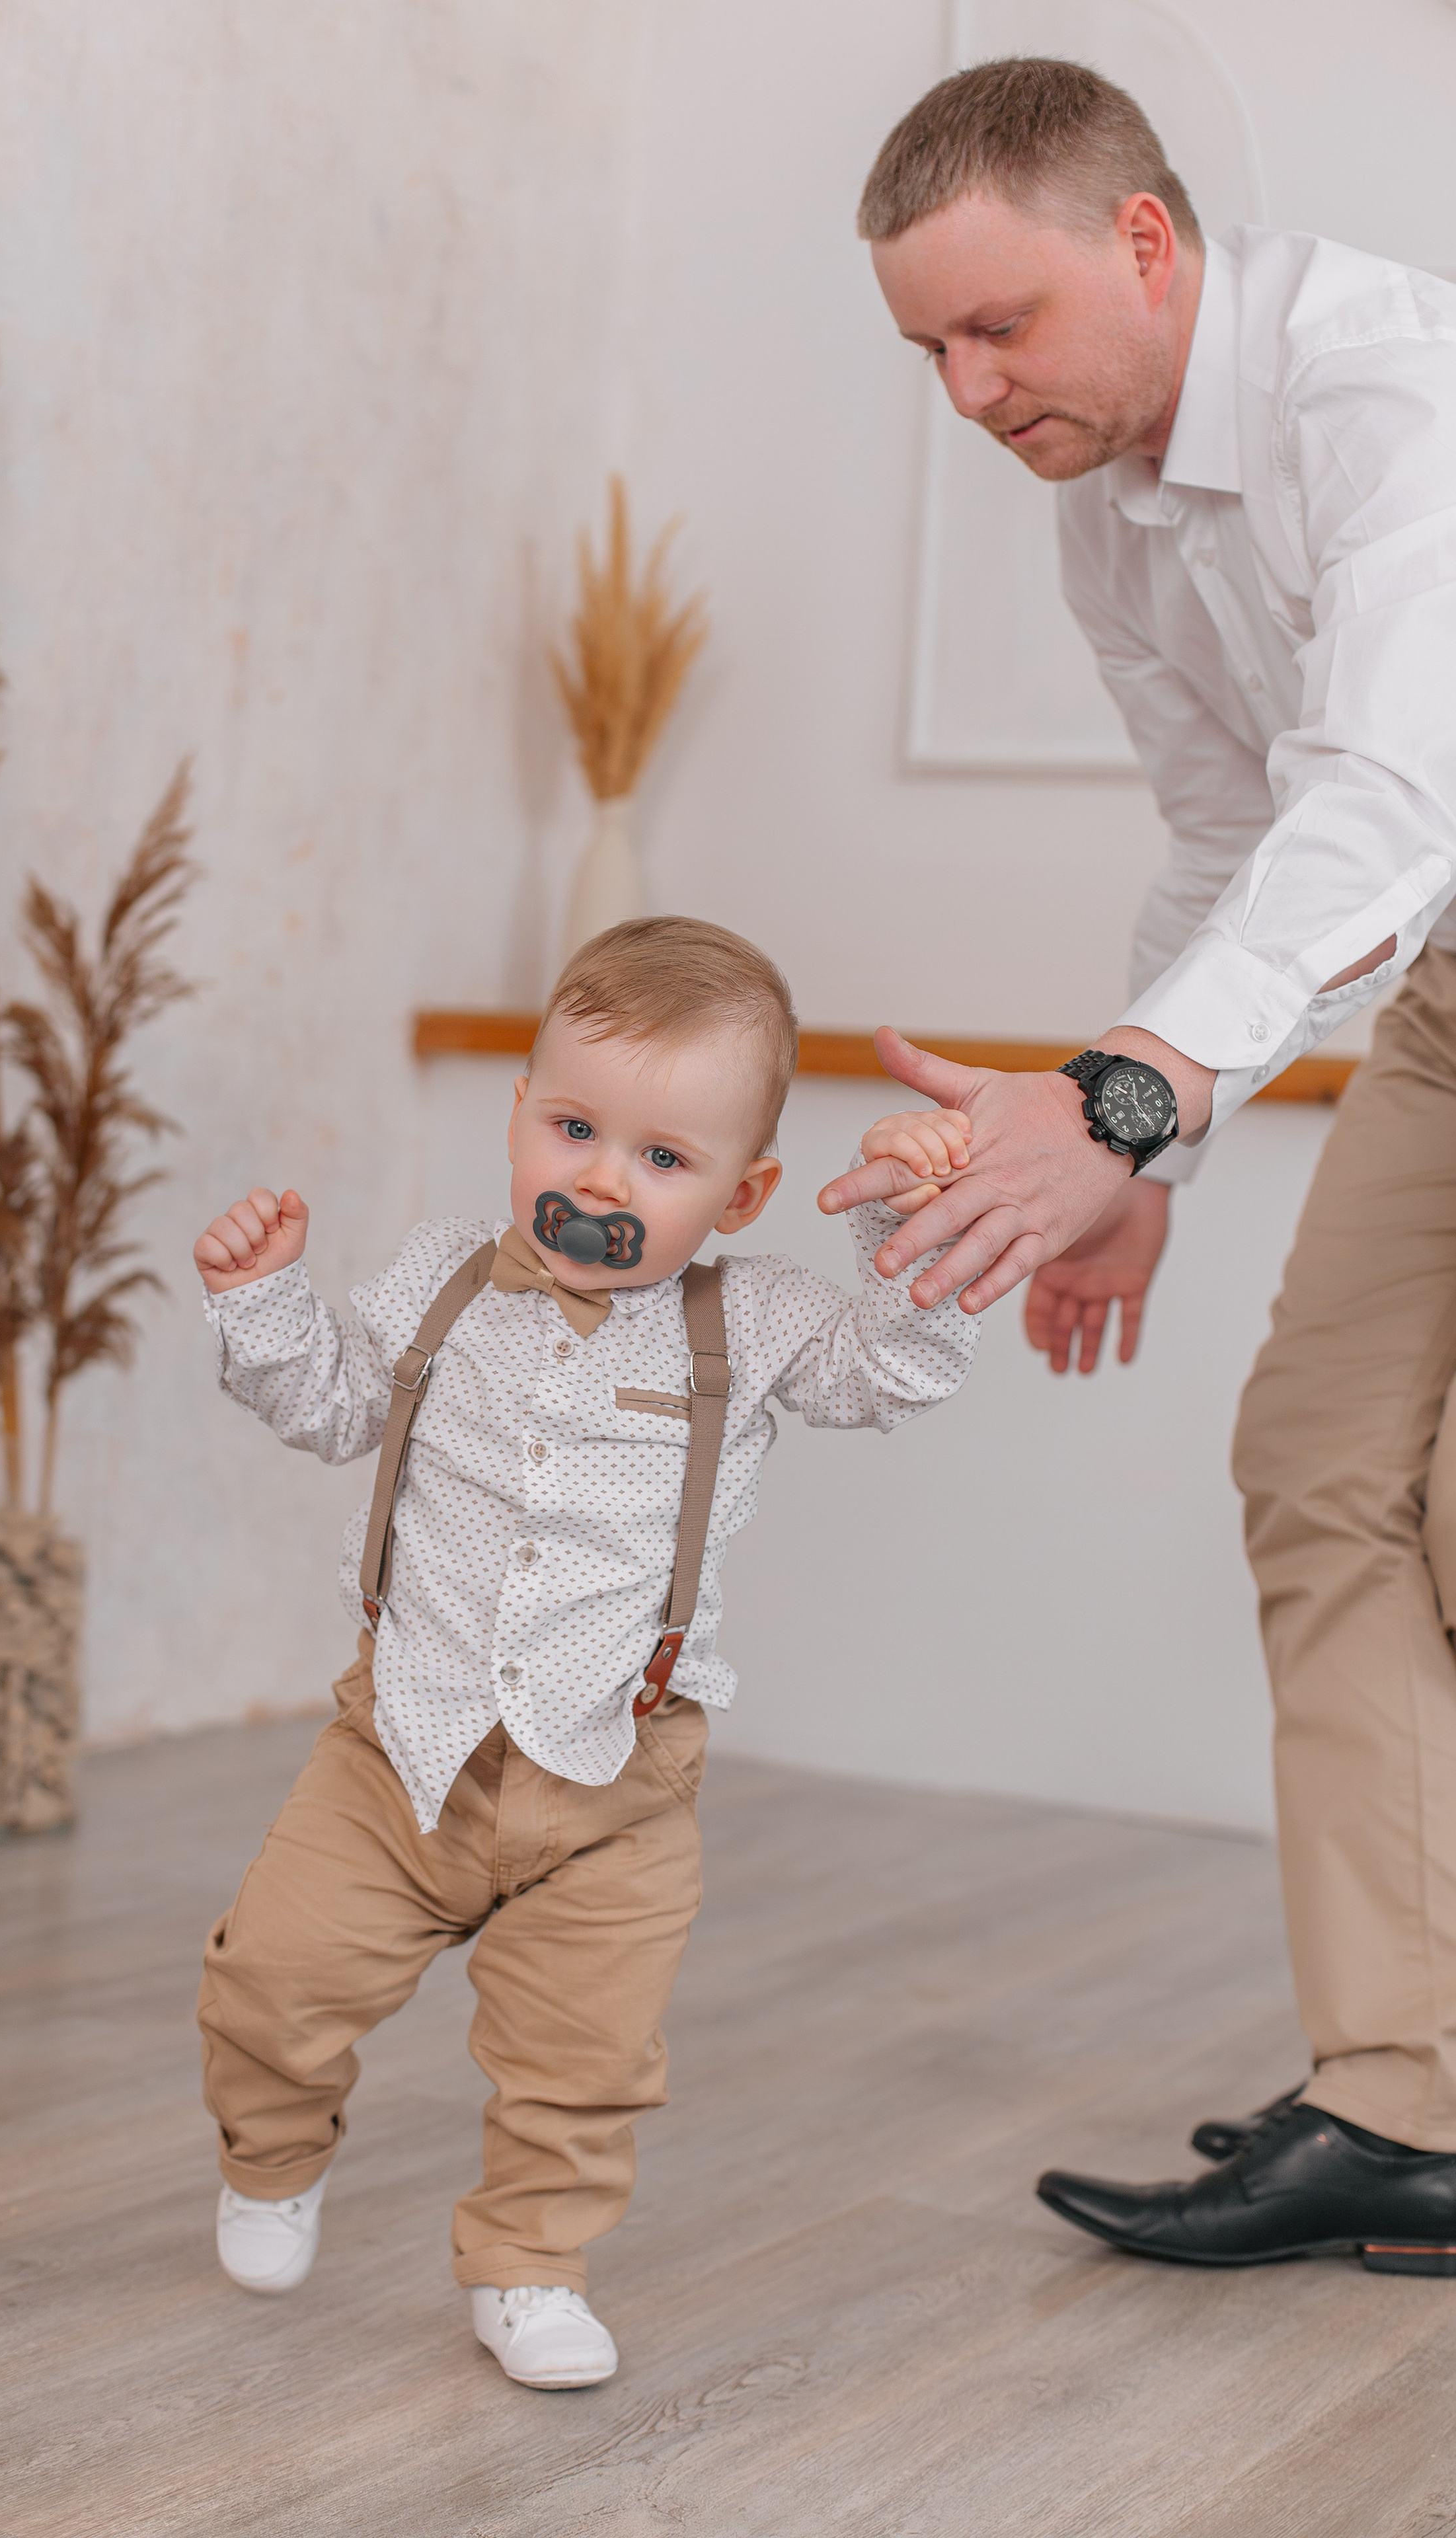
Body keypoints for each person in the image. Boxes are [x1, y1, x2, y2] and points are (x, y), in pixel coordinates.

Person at [823, 55, 1456, 2271]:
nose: (972, 392)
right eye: (930, 352)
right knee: (1315, 1466)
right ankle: (1406, 2106)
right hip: (1450, 998)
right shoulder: (1107, 503)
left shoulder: (1390, 394)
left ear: (1148, 245)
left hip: (1428, 888)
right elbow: (1225, 838)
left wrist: (1115, 1101)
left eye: (1000, 327)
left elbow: (1388, 797)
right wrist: (1145, 1173)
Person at [191, 917, 977, 2387]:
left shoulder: (752, 1319)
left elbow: (894, 1368)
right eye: (572, 1128)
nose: (603, 1180)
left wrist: (900, 1226)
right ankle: (273, 2153)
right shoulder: (439, 1280)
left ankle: (528, 2264)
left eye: (662, 1161)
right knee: (271, 1980)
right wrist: (265, 1302)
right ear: (520, 1115)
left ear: (739, 1193)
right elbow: (334, 1408)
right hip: (400, 1749)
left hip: (616, 1781)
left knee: (583, 2062)